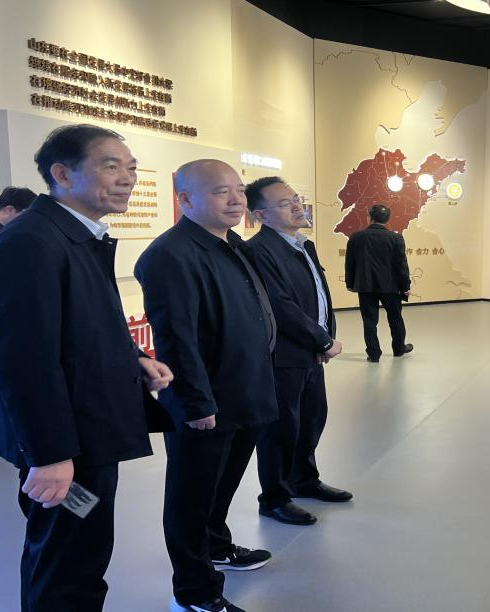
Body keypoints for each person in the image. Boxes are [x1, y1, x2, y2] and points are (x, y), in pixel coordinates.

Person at [0, 124, 173, 611]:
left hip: (87, 438)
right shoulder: (32, 242)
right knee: (67, 562)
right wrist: (50, 455)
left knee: (78, 549)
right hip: (67, 449)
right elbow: (24, 359)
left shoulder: (76, 236)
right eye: (110, 165)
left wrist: (137, 359)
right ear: (62, 174)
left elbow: (82, 324)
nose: (127, 178)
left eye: (131, 167)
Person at [135, 159, 278, 612]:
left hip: (244, 391)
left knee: (223, 485)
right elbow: (177, 338)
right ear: (185, 200)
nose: (236, 200)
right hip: (206, 399)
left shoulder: (230, 243)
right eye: (220, 192)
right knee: (191, 497)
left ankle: (217, 546)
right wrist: (196, 403)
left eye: (238, 190)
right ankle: (195, 590)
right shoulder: (170, 255)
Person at [246, 177, 353, 526]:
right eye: (284, 203)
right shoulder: (260, 250)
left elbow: (319, 295)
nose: (296, 206)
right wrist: (322, 341)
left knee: (311, 418)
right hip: (283, 356)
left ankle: (304, 479)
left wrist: (325, 337)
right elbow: (280, 305)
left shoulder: (303, 244)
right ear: (261, 215)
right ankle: (274, 498)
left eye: (295, 198)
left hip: (309, 353)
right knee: (281, 428)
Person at [344, 204, 412, 362]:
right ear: (387, 219)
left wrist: (350, 283)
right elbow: (401, 265)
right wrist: (405, 286)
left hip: (365, 286)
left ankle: (373, 354)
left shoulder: (356, 237)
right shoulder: (395, 238)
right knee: (395, 318)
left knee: (369, 321)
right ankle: (399, 349)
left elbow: (350, 263)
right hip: (391, 286)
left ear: (370, 217)